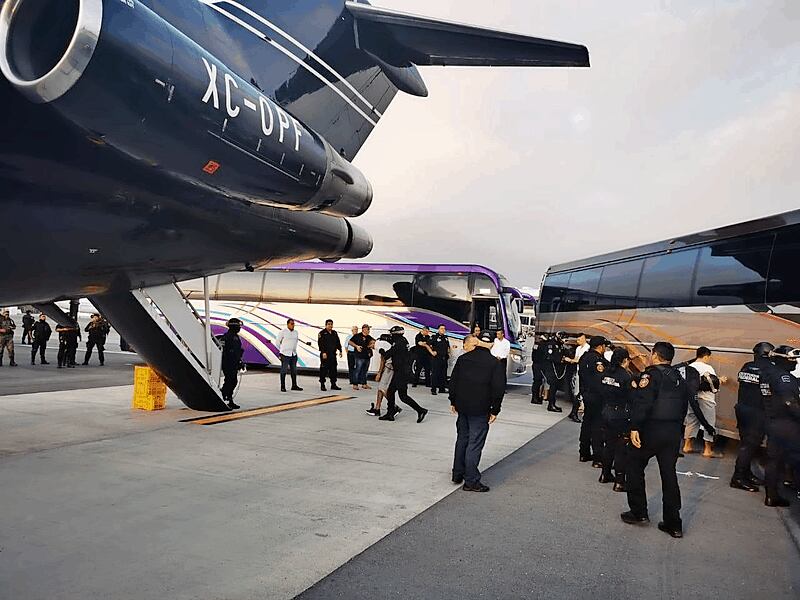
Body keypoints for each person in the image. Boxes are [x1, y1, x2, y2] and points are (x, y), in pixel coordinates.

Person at [621, 341, 715, 539]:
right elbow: (685, 405)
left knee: (634, 467)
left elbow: (643, 403)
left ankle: (639, 512)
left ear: (655, 355)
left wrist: (635, 427)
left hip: (651, 430)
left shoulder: (650, 375)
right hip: (672, 432)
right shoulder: (678, 377)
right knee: (669, 476)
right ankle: (674, 524)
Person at [449, 334, 506, 492]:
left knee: (462, 440)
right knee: (475, 444)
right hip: (480, 409)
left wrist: (453, 401)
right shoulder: (494, 363)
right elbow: (498, 388)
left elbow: (453, 381)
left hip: (462, 407)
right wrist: (495, 409)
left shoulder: (463, 359)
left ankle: (457, 473)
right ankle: (471, 480)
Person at [730, 342, 774, 492]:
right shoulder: (769, 370)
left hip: (742, 409)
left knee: (746, 443)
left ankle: (746, 473)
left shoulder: (746, 366)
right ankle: (738, 477)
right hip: (757, 412)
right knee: (749, 446)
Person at [760, 346, 800, 507]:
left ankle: (771, 495)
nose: (795, 363)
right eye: (792, 360)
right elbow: (789, 403)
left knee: (774, 460)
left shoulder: (768, 374)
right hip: (787, 424)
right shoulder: (784, 378)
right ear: (782, 360)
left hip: (772, 421)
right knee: (795, 458)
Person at [599, 347, 635, 491]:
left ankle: (605, 474)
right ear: (625, 360)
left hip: (606, 411)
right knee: (621, 448)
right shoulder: (626, 376)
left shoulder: (606, 372)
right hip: (620, 413)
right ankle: (620, 481)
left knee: (608, 445)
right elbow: (631, 397)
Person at [378, 326, 428, 423]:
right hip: (403, 371)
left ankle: (420, 410)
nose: (391, 335)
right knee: (391, 392)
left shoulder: (398, 343)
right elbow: (393, 346)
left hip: (401, 372)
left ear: (395, 334)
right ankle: (390, 413)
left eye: (392, 334)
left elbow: (388, 354)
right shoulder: (403, 340)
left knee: (402, 396)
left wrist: (381, 351)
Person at [683, 347, 726, 458]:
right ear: (706, 356)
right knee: (709, 422)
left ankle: (687, 446)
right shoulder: (708, 367)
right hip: (706, 399)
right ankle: (707, 450)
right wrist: (721, 380)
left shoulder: (690, 367)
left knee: (691, 421)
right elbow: (713, 384)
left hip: (692, 398)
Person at [578, 336, 610, 465]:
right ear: (600, 346)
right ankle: (598, 457)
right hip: (597, 396)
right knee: (597, 427)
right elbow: (601, 380)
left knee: (586, 423)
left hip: (586, 394)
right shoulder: (598, 361)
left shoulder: (584, 357)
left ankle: (583, 453)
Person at [564, 333, 590, 422]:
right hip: (579, 371)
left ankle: (578, 408)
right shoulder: (578, 348)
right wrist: (572, 360)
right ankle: (577, 409)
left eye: (579, 340)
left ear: (583, 339)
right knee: (577, 390)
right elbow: (576, 359)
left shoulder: (587, 348)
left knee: (580, 391)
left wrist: (570, 360)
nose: (577, 342)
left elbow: (579, 360)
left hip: (586, 372)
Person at [219, 318, 244, 409]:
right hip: (228, 364)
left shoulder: (236, 337)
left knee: (232, 381)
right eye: (238, 326)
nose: (239, 328)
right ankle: (225, 396)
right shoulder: (227, 337)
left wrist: (240, 361)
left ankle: (228, 398)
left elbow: (237, 352)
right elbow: (225, 352)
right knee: (230, 381)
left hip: (234, 363)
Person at [368, 343, 395, 417]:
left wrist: (379, 373)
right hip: (390, 366)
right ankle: (377, 408)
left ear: (371, 343)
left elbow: (383, 359)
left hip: (389, 367)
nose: (371, 348)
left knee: (382, 388)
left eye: (370, 346)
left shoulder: (378, 346)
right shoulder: (381, 343)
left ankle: (394, 406)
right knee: (380, 388)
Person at [276, 318, 303, 392]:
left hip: (293, 354)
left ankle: (294, 385)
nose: (293, 325)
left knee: (294, 370)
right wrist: (281, 350)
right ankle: (283, 386)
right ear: (288, 324)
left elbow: (296, 342)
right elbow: (277, 342)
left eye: (294, 324)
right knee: (284, 370)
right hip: (285, 354)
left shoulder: (296, 332)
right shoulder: (283, 332)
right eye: (291, 324)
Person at [318, 319, 342, 392]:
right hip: (325, 354)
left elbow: (338, 342)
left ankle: (333, 384)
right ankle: (322, 384)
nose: (330, 325)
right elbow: (320, 344)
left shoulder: (334, 333)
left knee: (333, 370)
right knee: (324, 370)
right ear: (326, 325)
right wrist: (323, 352)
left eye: (331, 324)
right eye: (328, 324)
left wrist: (340, 350)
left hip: (333, 354)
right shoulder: (322, 333)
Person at [349, 324, 373, 390]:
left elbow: (373, 341)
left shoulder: (369, 337)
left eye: (369, 329)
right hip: (359, 356)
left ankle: (364, 384)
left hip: (367, 356)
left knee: (365, 370)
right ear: (364, 329)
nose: (369, 331)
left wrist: (372, 345)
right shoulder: (357, 336)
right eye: (368, 329)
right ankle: (355, 384)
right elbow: (350, 342)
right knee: (358, 369)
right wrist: (356, 346)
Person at [430, 324, 450, 395]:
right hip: (436, 358)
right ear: (438, 329)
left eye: (444, 329)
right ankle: (433, 389)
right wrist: (432, 352)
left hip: (444, 358)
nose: (443, 330)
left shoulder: (446, 337)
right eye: (441, 328)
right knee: (435, 374)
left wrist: (448, 352)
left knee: (443, 374)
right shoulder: (434, 337)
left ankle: (442, 389)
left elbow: (448, 346)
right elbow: (428, 345)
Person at [530, 334, 548, 405]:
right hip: (540, 365)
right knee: (537, 382)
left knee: (536, 381)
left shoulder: (536, 345)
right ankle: (535, 398)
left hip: (535, 364)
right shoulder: (543, 345)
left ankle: (535, 397)